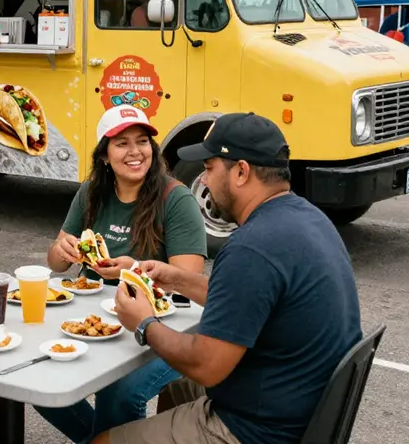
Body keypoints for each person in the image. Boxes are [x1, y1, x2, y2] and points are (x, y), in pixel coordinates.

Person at [97, 112, 362, 444]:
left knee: (102, 440)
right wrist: (177, 279)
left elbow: (206, 365)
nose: (204, 182)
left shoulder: (252, 247)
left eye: (208, 169)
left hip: (257, 430)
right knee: (179, 391)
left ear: (241, 171)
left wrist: (144, 324)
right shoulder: (308, 219)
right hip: (299, 403)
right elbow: (249, 298)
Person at [33, 105, 207, 442]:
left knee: (121, 393)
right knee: (42, 379)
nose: (135, 152)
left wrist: (134, 271)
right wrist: (61, 250)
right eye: (122, 143)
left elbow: (187, 282)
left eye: (142, 141)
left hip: (163, 325)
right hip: (95, 323)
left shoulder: (176, 198)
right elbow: (56, 263)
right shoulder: (91, 192)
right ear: (104, 155)